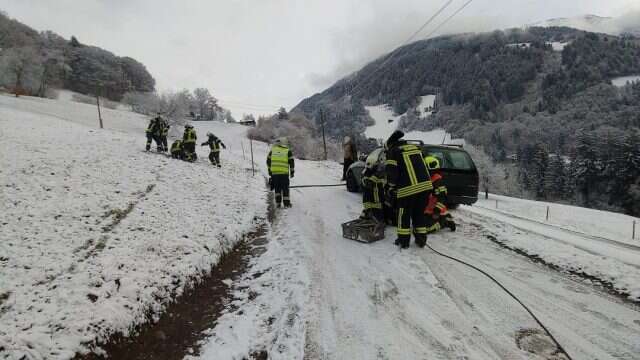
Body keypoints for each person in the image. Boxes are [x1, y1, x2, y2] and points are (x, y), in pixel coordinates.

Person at [385, 130, 433, 248]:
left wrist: (391, 187)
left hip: (408, 189)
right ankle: (421, 240)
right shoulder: (414, 148)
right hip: (426, 186)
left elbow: (392, 174)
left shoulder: (393, 151)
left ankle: (403, 241)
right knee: (419, 213)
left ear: (389, 145)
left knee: (403, 214)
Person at [424, 156, 456, 233]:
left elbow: (442, 198)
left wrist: (437, 211)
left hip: (436, 212)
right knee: (419, 226)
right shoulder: (428, 179)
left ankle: (445, 222)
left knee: (426, 230)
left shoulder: (438, 181)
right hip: (427, 211)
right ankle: (444, 219)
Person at [267, 137, 295, 208]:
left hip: (275, 174)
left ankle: (278, 203)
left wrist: (270, 171)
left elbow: (268, 161)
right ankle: (286, 204)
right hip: (284, 174)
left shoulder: (272, 151)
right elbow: (291, 162)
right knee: (285, 188)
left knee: (277, 188)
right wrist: (292, 172)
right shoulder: (287, 151)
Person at [360, 156, 386, 223]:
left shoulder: (379, 172)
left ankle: (373, 217)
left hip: (377, 202)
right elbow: (365, 181)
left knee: (378, 216)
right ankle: (369, 215)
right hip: (373, 202)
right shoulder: (367, 173)